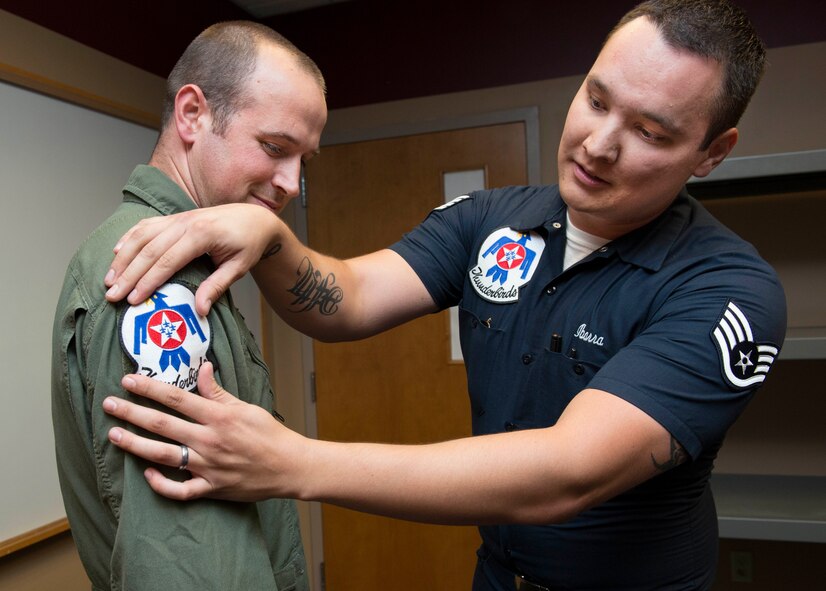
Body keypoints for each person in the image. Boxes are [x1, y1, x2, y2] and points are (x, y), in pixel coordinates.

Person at [99, 1, 786, 589]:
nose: (599, 144)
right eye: (597, 99)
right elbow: (354, 295)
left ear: (711, 152)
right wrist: (269, 236)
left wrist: (293, 462)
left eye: (649, 131)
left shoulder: (729, 293)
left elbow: (566, 471)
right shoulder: (491, 220)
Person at [51, 21, 326, 591]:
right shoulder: (156, 280)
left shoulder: (194, 258)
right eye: (275, 148)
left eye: (305, 159)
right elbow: (191, 567)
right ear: (193, 114)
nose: (294, 182)